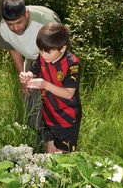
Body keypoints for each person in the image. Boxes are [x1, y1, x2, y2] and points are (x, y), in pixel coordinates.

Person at [0, 0, 61, 134]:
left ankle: (54, 140)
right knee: (29, 96)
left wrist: (36, 74)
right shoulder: (3, 27)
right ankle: (34, 137)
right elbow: (13, 49)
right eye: (10, 24)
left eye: (19, 22)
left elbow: (53, 53)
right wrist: (23, 77)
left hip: (54, 56)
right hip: (32, 58)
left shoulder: (45, 23)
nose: (15, 28)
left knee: (52, 98)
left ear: (26, 14)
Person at [19, 22, 82, 153]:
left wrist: (45, 85)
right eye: (41, 50)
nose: (43, 55)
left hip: (67, 119)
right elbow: (34, 70)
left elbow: (69, 93)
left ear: (62, 48)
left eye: (48, 51)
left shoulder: (72, 64)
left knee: (62, 161)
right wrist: (27, 76)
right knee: (49, 158)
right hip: (50, 116)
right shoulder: (43, 57)